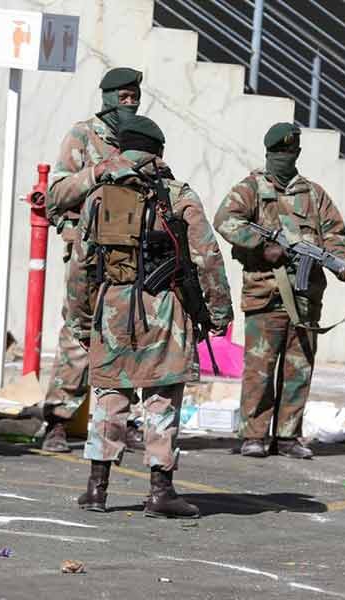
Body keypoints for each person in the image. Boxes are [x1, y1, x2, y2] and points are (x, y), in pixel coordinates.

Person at [79, 116, 233, 518]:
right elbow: (206, 257)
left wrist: (80, 320)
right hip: (164, 307)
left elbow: (80, 265)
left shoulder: (98, 195)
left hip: (111, 306)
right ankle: (160, 491)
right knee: (161, 397)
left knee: (110, 394)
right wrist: (219, 312)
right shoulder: (176, 193)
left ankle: (97, 489)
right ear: (158, 150)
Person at [213, 123, 345, 460]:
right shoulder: (251, 188)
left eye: (289, 153)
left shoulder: (314, 195)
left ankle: (288, 435)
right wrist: (263, 246)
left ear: (297, 154)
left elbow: (334, 235)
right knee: (260, 368)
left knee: (298, 367)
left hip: (305, 299)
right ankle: (254, 434)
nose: (284, 158)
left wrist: (342, 264)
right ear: (269, 153)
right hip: (265, 294)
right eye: (279, 153)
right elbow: (225, 220)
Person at [40, 67, 142, 452]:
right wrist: (98, 172)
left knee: (128, 334)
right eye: (124, 97)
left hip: (129, 255)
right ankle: (57, 421)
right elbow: (57, 194)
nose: (130, 104)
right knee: (78, 335)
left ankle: (122, 420)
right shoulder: (83, 136)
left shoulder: (139, 137)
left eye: (135, 97)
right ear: (109, 98)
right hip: (88, 252)